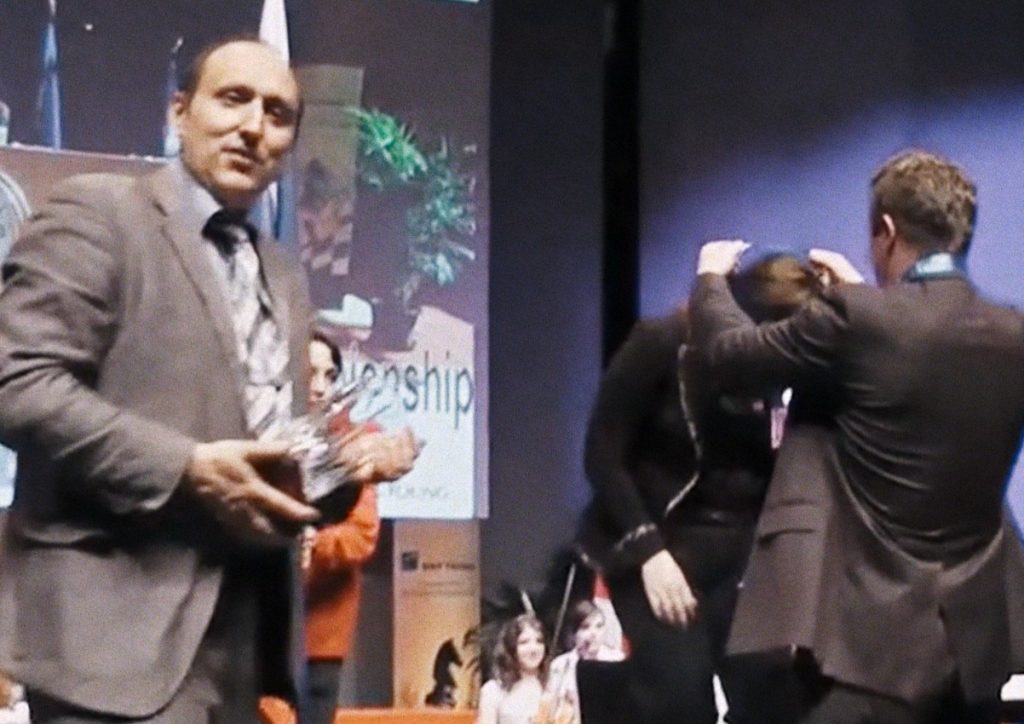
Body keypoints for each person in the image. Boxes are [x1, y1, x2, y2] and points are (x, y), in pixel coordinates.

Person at [0, 37, 322, 722]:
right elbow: (16, 382)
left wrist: (343, 467)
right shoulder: (98, 213)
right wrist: (185, 468)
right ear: (179, 112)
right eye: (233, 99)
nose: (253, 126)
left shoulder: (283, 272)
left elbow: (263, 449)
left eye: (277, 114)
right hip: (111, 642)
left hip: (241, 649)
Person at [690, 149, 1024, 723]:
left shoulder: (858, 318)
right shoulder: (1013, 336)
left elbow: (730, 356)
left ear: (887, 232)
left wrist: (710, 279)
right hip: (971, 659)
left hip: (870, 655)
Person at [578, 253, 821, 724]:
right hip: (661, 547)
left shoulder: (782, 374)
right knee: (681, 697)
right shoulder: (662, 344)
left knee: (775, 696)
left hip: (742, 557)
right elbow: (602, 455)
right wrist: (650, 553)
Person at [260, 330, 418, 724]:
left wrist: (310, 545)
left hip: (320, 634)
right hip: (257, 625)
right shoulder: (259, 435)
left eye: (330, 375)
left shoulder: (355, 446)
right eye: (309, 372)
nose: (320, 386)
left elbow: (362, 537)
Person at [544, 599, 625, 724]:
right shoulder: (560, 665)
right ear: (574, 632)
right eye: (585, 627)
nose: (593, 634)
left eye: (599, 626)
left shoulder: (617, 660)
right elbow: (551, 708)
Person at [478, 614, 548, 724]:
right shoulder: (493, 690)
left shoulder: (554, 684)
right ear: (511, 647)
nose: (533, 649)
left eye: (539, 641)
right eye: (524, 642)